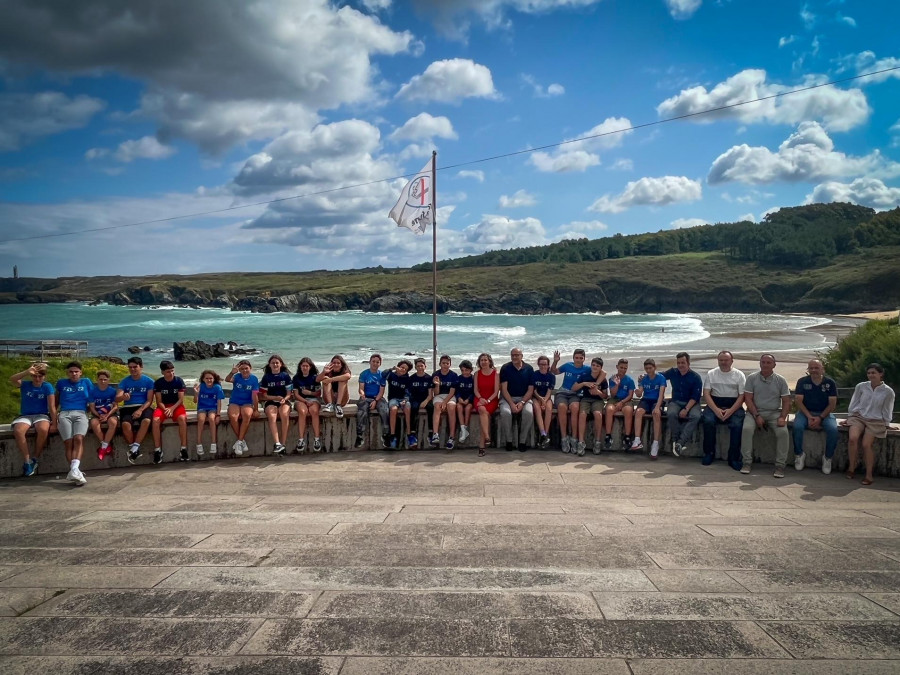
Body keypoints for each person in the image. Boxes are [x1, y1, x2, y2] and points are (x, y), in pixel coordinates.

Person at [841, 363, 897, 486]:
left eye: (874, 373)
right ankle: (851, 467)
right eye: (869, 373)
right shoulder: (861, 386)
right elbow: (854, 402)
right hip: (859, 417)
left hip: (876, 420)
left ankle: (869, 474)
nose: (871, 375)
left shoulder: (888, 391)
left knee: (866, 444)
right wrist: (850, 417)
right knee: (853, 438)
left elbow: (888, 408)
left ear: (880, 374)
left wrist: (887, 423)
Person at [740, 354, 791, 477]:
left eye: (769, 362)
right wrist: (757, 415)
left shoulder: (781, 380)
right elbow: (748, 399)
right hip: (754, 412)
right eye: (763, 362)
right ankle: (746, 462)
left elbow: (786, 401)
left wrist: (782, 417)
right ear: (759, 363)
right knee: (746, 429)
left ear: (774, 365)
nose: (765, 365)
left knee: (783, 433)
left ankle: (780, 466)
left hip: (774, 413)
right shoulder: (752, 378)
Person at [793, 358, 838, 475]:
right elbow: (798, 401)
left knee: (833, 430)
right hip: (805, 412)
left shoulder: (830, 383)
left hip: (825, 414)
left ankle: (827, 458)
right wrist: (809, 416)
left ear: (822, 369)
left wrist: (820, 418)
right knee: (797, 427)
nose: (814, 370)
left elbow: (832, 404)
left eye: (816, 368)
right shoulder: (802, 381)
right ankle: (799, 454)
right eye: (811, 368)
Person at [701, 350, 746, 467]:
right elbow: (706, 393)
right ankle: (709, 453)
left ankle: (734, 457)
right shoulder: (711, 373)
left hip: (734, 404)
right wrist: (716, 410)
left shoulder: (739, 375)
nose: (723, 362)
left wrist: (731, 411)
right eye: (721, 360)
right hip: (714, 403)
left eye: (726, 360)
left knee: (737, 425)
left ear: (731, 361)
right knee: (708, 421)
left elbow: (742, 396)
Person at [10, 362, 55, 477]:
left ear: (44, 377)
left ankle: (35, 457)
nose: (37, 379)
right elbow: (12, 379)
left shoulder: (47, 386)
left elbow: (52, 406)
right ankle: (27, 461)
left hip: (41, 415)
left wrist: (54, 423)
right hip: (25, 415)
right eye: (35, 376)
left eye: (40, 376)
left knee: (43, 429)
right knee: (19, 430)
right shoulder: (25, 384)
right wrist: (26, 372)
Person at [56, 361, 93, 486]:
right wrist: (53, 418)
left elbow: (93, 398)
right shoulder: (61, 383)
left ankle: (74, 471)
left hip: (81, 413)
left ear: (80, 372)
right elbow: (55, 401)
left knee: (78, 438)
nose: (74, 374)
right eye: (71, 372)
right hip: (64, 413)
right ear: (68, 373)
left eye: (76, 371)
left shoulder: (86, 382)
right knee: (68, 442)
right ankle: (75, 471)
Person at [661, 352, 703, 457]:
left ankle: (680, 442)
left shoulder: (696, 377)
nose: (680, 365)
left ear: (688, 363)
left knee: (696, 416)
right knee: (671, 413)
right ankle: (676, 439)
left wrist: (686, 409)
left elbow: (695, 397)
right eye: (678, 363)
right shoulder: (673, 372)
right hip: (676, 401)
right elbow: (659, 376)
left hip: (692, 403)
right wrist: (644, 376)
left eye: (683, 362)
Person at [551, 349, 591, 454]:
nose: (578, 360)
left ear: (584, 359)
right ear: (573, 358)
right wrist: (555, 361)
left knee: (575, 408)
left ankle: (574, 439)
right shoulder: (568, 365)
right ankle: (564, 438)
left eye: (581, 358)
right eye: (576, 358)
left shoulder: (587, 369)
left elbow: (601, 373)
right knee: (562, 407)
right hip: (563, 393)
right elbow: (553, 372)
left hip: (576, 394)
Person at [117, 356, 155, 464]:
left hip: (143, 406)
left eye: (135, 367)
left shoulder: (149, 381)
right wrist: (123, 397)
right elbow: (117, 398)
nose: (132, 369)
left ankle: (134, 448)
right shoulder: (124, 381)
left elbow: (149, 400)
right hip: (128, 407)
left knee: (146, 421)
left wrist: (140, 410)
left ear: (141, 367)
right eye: (130, 367)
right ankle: (134, 449)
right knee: (125, 424)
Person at [151, 360, 189, 464]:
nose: (171, 373)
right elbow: (159, 401)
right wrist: (166, 410)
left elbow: (181, 399)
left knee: (182, 419)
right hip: (163, 407)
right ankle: (158, 450)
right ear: (163, 372)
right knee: (155, 420)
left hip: (177, 405)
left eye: (172, 371)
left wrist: (172, 409)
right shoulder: (158, 383)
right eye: (168, 371)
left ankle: (183, 448)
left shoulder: (179, 381)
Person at [499, 348, 535, 452]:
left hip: (524, 398)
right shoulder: (505, 368)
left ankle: (522, 441)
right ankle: (509, 441)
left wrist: (522, 402)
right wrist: (511, 404)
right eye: (512, 355)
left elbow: (530, 389)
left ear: (521, 356)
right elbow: (504, 389)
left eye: (517, 355)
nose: (514, 357)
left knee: (529, 413)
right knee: (506, 413)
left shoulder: (529, 369)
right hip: (507, 398)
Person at [572, 357, 608, 457]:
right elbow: (574, 388)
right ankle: (581, 442)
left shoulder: (603, 380)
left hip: (598, 400)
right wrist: (584, 383)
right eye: (593, 365)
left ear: (601, 368)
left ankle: (597, 441)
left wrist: (598, 392)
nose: (595, 367)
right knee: (582, 415)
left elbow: (605, 396)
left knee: (598, 414)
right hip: (585, 400)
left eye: (597, 366)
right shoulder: (585, 376)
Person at [633, 358, 667, 459]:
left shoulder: (661, 378)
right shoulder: (643, 378)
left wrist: (657, 407)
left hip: (657, 400)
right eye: (646, 368)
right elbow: (640, 394)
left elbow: (661, 394)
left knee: (656, 414)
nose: (648, 370)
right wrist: (638, 392)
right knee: (638, 412)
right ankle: (637, 439)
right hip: (646, 400)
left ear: (654, 368)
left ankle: (655, 443)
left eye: (650, 368)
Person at [260, 354, 293, 455]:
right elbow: (264, 395)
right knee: (272, 415)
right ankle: (277, 443)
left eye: (277, 363)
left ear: (281, 364)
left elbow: (289, 394)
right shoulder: (266, 377)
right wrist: (275, 398)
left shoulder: (285, 376)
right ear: (269, 365)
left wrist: (284, 399)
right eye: (272, 363)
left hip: (284, 400)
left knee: (284, 414)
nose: (275, 364)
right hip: (270, 400)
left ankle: (283, 444)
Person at [225, 360, 259, 456]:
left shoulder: (254, 379)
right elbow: (227, 379)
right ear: (239, 370)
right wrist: (232, 372)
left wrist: (256, 409)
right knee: (233, 416)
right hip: (235, 401)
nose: (244, 371)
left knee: (247, 414)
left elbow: (255, 395)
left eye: (246, 368)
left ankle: (239, 441)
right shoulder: (236, 377)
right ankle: (241, 441)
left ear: (250, 368)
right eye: (242, 369)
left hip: (247, 403)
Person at [356, 354, 389, 449]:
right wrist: (362, 394)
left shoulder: (382, 375)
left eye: (377, 362)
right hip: (366, 397)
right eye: (373, 361)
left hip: (378, 397)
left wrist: (375, 401)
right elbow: (361, 388)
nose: (375, 363)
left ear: (380, 364)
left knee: (384, 410)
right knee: (362, 411)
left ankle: (386, 435)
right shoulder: (364, 374)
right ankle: (359, 435)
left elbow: (381, 391)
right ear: (370, 362)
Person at [604, 358, 635, 452]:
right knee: (609, 409)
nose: (623, 370)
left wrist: (622, 403)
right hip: (614, 399)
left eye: (625, 368)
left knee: (628, 411)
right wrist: (617, 384)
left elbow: (630, 395)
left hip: (626, 400)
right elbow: (612, 394)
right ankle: (608, 435)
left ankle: (627, 436)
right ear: (617, 367)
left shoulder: (630, 380)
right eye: (621, 367)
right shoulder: (612, 379)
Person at [292, 357, 322, 453]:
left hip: (313, 399)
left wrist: (310, 393)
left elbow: (318, 393)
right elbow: (296, 395)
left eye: (307, 366)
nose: (305, 368)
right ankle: (301, 440)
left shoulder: (315, 377)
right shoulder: (296, 378)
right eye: (303, 366)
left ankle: (317, 440)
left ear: (310, 367)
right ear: (300, 367)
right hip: (300, 400)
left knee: (314, 411)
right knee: (303, 411)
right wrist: (305, 401)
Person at [194, 369, 224, 458]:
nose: (209, 380)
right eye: (207, 378)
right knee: (201, 419)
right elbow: (195, 401)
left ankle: (213, 442)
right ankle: (199, 443)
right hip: (202, 407)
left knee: (211, 419)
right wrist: (196, 394)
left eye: (211, 378)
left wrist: (218, 414)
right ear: (203, 379)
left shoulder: (217, 387)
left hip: (212, 408)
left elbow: (219, 402)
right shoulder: (201, 387)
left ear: (214, 379)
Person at [474, 353, 500, 457]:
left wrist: (488, 400)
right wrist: (481, 398)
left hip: (491, 400)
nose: (483, 362)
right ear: (479, 362)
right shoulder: (477, 374)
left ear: (489, 361)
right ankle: (487, 437)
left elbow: (496, 391)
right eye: (481, 360)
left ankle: (483, 444)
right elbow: (475, 390)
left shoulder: (495, 374)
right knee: (482, 410)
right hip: (479, 398)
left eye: (485, 360)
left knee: (483, 414)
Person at [89, 369, 118, 461]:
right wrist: (99, 415)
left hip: (110, 413)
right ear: (97, 380)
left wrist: (107, 415)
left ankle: (103, 447)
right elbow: (92, 407)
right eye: (101, 379)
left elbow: (115, 406)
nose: (103, 381)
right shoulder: (92, 392)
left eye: (105, 379)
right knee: (94, 423)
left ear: (108, 380)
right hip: (97, 413)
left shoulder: (113, 391)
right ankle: (106, 445)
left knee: (113, 422)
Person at [430, 355, 458, 450]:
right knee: (437, 406)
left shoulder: (453, 375)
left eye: (447, 363)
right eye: (443, 363)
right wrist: (437, 385)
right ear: (440, 364)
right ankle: (435, 434)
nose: (445, 365)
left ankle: (451, 437)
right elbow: (436, 393)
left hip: (450, 396)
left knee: (451, 407)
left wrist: (445, 402)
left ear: (450, 364)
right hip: (439, 396)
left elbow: (452, 392)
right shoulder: (436, 374)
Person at [384, 359, 413, 449]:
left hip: (403, 399)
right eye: (402, 367)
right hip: (393, 399)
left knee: (407, 408)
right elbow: (383, 375)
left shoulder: (407, 379)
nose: (403, 370)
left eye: (405, 369)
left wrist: (405, 399)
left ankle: (409, 434)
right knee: (393, 409)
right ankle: (392, 435)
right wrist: (392, 369)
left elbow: (408, 392)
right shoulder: (391, 375)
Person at [407, 358, 434, 449]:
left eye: (421, 366)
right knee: (413, 408)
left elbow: (431, 395)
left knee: (431, 408)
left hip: (426, 399)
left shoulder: (429, 378)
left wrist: (425, 401)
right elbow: (409, 393)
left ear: (425, 367)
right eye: (418, 366)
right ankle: (412, 435)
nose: (420, 367)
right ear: (415, 367)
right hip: (415, 399)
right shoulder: (412, 378)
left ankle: (431, 433)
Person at [531, 355, 556, 449]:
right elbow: (533, 390)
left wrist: (544, 400)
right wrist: (540, 399)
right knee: (537, 408)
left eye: (545, 364)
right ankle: (543, 433)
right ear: (538, 364)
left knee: (549, 409)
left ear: (548, 365)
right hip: (536, 397)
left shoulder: (551, 376)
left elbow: (550, 390)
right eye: (541, 364)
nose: (543, 366)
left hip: (547, 397)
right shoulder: (534, 374)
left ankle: (545, 435)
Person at [455, 360, 476, 444]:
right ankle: (463, 429)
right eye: (462, 370)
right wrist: (459, 398)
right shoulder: (459, 378)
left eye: (466, 370)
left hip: (470, 400)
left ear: (470, 370)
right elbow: (457, 391)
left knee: (468, 408)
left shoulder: (473, 379)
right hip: (461, 399)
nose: (464, 372)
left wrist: (468, 399)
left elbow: (474, 391)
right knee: (459, 407)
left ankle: (465, 428)